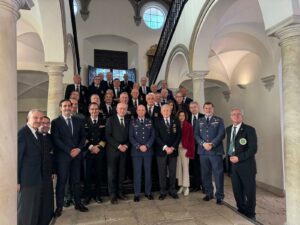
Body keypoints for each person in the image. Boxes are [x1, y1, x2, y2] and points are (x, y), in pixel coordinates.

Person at [51, 99, 88, 217]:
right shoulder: (56, 122)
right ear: (60, 108)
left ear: (72, 107)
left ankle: (78, 203)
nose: (67, 108)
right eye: (64, 106)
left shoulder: (78, 121)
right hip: (63, 157)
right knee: (62, 182)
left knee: (76, 181)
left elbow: (83, 137)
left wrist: (78, 149)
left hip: (77, 156)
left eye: (69, 106)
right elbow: (56, 139)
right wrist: (69, 150)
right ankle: (59, 207)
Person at [226, 108, 257, 220]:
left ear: (242, 116)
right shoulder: (229, 129)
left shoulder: (249, 129)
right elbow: (229, 146)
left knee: (249, 191)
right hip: (233, 167)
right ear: (231, 116)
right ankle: (241, 209)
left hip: (246, 166)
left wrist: (239, 158)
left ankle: (251, 213)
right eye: (233, 114)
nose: (236, 116)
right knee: (237, 190)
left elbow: (253, 149)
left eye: (238, 114)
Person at [194, 102, 225, 205]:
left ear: (213, 109)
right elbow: (196, 135)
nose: (208, 110)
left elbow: (221, 134)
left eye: (210, 108)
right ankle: (208, 193)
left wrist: (212, 144)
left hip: (215, 151)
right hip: (203, 152)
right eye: (206, 108)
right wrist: (203, 144)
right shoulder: (199, 121)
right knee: (205, 174)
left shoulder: (219, 120)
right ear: (203, 109)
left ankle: (219, 196)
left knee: (218, 174)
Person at [18, 109, 44, 225]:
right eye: (35, 118)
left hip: (37, 179)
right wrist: (17, 181)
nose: (38, 120)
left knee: (34, 211)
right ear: (28, 119)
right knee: (25, 212)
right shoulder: (22, 133)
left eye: (40, 118)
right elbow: (18, 159)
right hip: (26, 181)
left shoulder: (36, 133)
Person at [154, 104, 181, 200]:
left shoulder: (175, 120)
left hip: (173, 151)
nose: (166, 112)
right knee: (162, 172)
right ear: (161, 112)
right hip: (161, 151)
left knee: (173, 172)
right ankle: (163, 191)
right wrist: (165, 147)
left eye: (168, 110)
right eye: (164, 110)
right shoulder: (157, 121)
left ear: (171, 111)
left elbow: (178, 135)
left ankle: (172, 191)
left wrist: (173, 147)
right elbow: (156, 136)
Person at [129, 105, 155, 202]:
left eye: (142, 110)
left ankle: (148, 192)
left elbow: (153, 135)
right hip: (136, 152)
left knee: (148, 173)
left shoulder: (150, 121)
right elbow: (131, 137)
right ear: (136, 111)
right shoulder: (132, 122)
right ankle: (137, 193)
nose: (141, 111)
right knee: (137, 173)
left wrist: (147, 146)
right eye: (139, 110)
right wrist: (139, 146)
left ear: (145, 111)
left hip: (148, 151)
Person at [105, 103, 130, 204]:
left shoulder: (128, 120)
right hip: (113, 151)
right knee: (112, 175)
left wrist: (126, 146)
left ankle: (120, 193)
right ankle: (112, 195)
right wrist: (119, 146)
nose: (122, 110)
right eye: (120, 108)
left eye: (124, 109)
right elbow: (108, 136)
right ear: (117, 109)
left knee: (121, 174)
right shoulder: (110, 120)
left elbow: (130, 136)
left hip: (124, 151)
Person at [83, 103, 106, 205]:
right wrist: (91, 147)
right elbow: (82, 137)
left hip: (99, 152)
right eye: (92, 109)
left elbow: (105, 137)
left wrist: (99, 147)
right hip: (88, 152)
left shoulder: (103, 121)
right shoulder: (84, 121)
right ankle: (87, 196)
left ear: (99, 110)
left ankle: (98, 195)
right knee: (87, 176)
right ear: (89, 110)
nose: (94, 111)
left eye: (96, 109)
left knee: (98, 175)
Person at [37, 116, 55, 225]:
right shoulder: (35, 136)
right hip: (36, 173)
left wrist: (53, 171)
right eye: (43, 123)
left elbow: (53, 155)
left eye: (48, 123)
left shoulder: (50, 137)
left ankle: (48, 218)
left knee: (48, 195)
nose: (46, 125)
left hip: (48, 172)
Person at [176, 111, 195, 196]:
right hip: (176, 149)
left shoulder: (188, 125)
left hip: (185, 149)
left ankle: (186, 186)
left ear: (185, 116)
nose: (181, 117)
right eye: (180, 115)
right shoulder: (175, 124)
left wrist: (190, 151)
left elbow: (191, 140)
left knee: (185, 168)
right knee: (179, 168)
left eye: (183, 115)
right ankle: (181, 186)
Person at [188, 102, 205, 192]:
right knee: (194, 167)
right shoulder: (187, 118)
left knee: (203, 167)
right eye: (191, 107)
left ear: (198, 107)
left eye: (194, 107)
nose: (193, 109)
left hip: (202, 146)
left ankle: (205, 186)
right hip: (192, 147)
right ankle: (196, 185)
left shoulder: (203, 117)